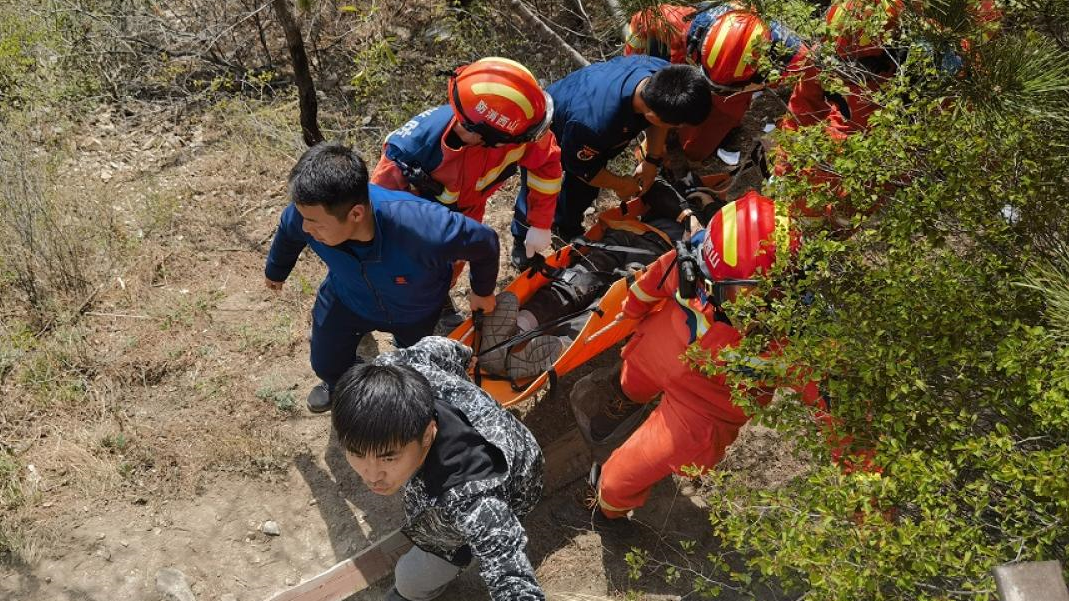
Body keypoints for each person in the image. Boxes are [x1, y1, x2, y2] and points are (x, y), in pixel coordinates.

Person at [574, 192, 832, 518]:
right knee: (631, 381)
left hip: (703, 407)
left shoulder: (799, 343)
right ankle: (628, 398)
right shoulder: (694, 264)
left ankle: (606, 506)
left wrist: (867, 480)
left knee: (617, 482)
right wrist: (631, 311)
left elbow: (838, 415)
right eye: (734, 293)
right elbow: (652, 283)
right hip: (658, 352)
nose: (741, 306)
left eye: (748, 293)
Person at [264, 142, 500, 413]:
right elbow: (288, 231)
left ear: (355, 214)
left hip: (416, 310)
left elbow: (485, 242)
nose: (305, 227)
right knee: (326, 364)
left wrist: (482, 290)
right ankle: (343, 385)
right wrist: (276, 270)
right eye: (303, 217)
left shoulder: (423, 228)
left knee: (413, 371)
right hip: (347, 298)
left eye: (314, 222)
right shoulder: (306, 215)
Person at [331, 336, 545, 601]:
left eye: (389, 458)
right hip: (500, 435)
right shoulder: (395, 368)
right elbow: (437, 346)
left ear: (428, 434)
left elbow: (511, 577)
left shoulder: (472, 498)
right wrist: (466, 354)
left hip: (517, 481)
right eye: (356, 453)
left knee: (410, 580)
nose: (371, 475)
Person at [371, 57, 562, 273]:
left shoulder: (514, 127)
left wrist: (541, 222)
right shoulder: (408, 154)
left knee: (452, 267)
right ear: (484, 135)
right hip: (422, 231)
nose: (527, 142)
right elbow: (376, 217)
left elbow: (546, 162)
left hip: (466, 218)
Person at [514, 57, 712, 246]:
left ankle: (566, 227)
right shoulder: (596, 124)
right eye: (677, 125)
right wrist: (621, 185)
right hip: (550, 131)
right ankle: (522, 242)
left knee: (582, 190)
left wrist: (651, 160)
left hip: (585, 128)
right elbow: (586, 170)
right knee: (536, 192)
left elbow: (661, 123)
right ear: (652, 115)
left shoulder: (662, 76)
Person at [623, 3, 826, 162]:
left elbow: (812, 97)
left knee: (697, 146)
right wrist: (634, 73)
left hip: (734, 98)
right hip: (692, 71)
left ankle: (695, 152)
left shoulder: (793, 58)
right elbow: (641, 21)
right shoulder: (686, 24)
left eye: (720, 88)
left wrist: (787, 141)